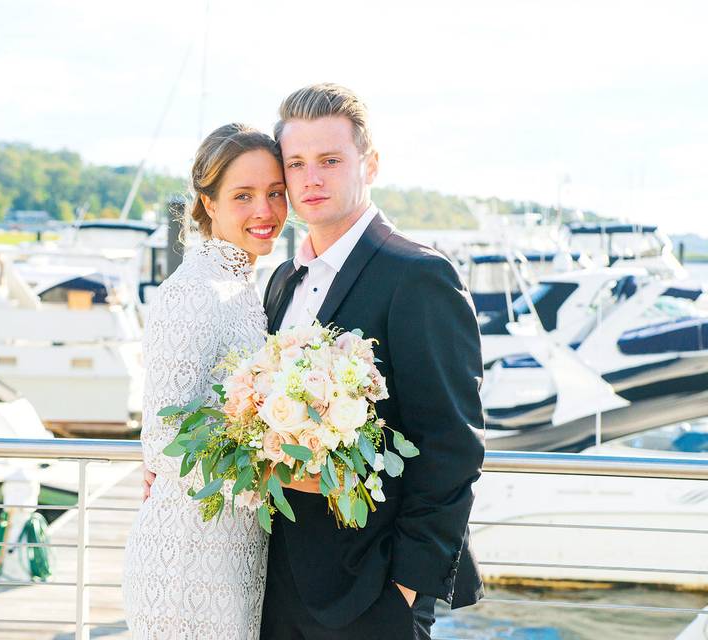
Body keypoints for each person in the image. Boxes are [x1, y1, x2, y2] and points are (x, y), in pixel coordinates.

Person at [258, 83, 486, 640]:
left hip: (372, 591)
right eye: (297, 163)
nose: (311, 178)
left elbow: (451, 445)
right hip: (274, 583)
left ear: (370, 164)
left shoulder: (418, 275)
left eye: (330, 160)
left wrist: (406, 592)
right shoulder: (283, 282)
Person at [122, 123, 289, 640]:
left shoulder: (240, 286)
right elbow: (167, 442)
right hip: (187, 563)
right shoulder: (193, 292)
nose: (264, 210)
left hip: (232, 547)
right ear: (208, 203)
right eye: (243, 195)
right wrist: (283, 466)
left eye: (275, 193)